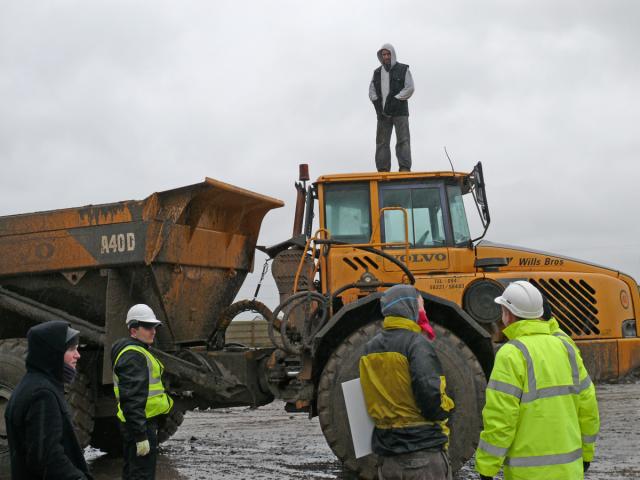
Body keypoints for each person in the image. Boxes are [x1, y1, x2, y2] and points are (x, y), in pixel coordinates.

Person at [475, 281, 600, 480]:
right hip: (570, 472)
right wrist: (586, 453)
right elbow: (588, 407)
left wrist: (487, 467)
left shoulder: (511, 354)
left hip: (528, 474)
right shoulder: (566, 347)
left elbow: (501, 418)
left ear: (508, 314)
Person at [359, 284, 454, 480]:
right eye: (421, 305)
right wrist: (446, 409)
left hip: (387, 457)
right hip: (422, 453)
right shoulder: (416, 344)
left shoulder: (369, 348)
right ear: (408, 307)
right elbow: (430, 396)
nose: (424, 310)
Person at [4, 321, 92, 479]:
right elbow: (47, 459)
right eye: (71, 349)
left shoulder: (32, 385)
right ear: (53, 352)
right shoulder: (42, 395)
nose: (78, 355)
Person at [112, 304, 173, 480]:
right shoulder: (133, 356)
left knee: (133, 473)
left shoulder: (137, 352)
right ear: (133, 331)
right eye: (147, 327)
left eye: (154, 327)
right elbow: (131, 399)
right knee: (141, 475)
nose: (153, 331)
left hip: (139, 423)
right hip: (140, 425)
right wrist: (140, 436)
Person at [369, 43, 415, 172]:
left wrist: (397, 98)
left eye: (388, 54)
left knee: (403, 140)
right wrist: (377, 104)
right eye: (384, 54)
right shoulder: (377, 73)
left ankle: (404, 168)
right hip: (383, 114)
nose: (386, 57)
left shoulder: (403, 69)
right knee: (382, 143)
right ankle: (383, 170)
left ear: (393, 54)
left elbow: (410, 87)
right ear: (381, 56)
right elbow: (371, 91)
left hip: (400, 112)